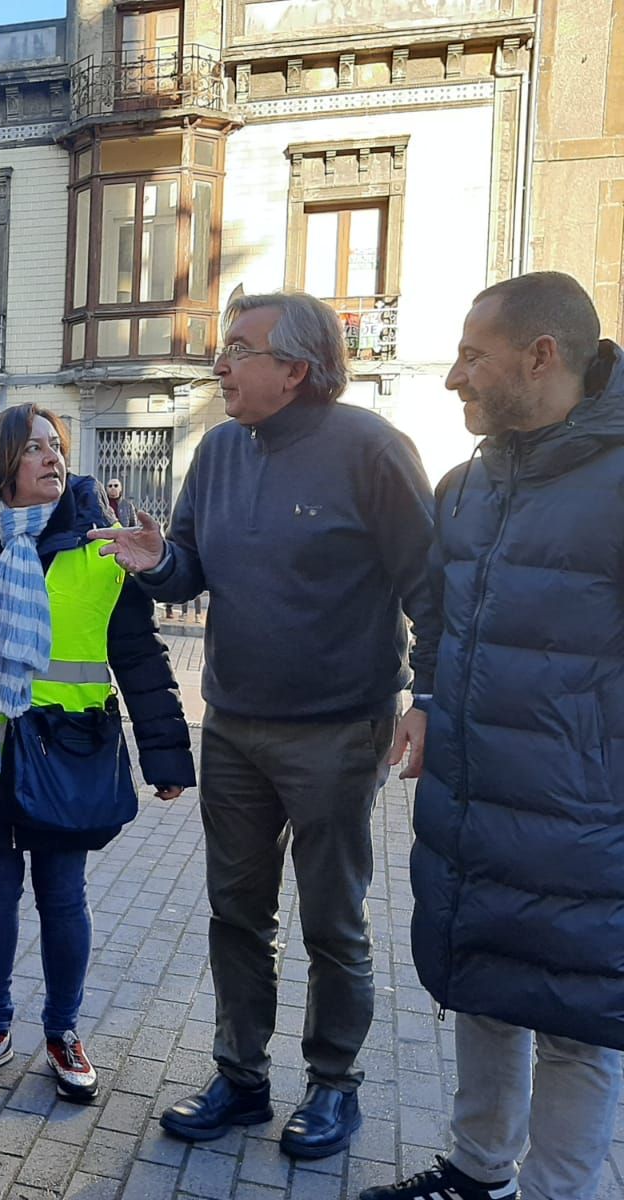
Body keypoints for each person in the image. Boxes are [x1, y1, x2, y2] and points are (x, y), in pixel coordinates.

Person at [100, 291, 441, 1159]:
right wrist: (155, 565)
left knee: (333, 920)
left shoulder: (371, 449)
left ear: (296, 368)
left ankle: (334, 1088)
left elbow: (430, 589)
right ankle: (241, 1079)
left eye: (239, 349)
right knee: (235, 913)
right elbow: (189, 568)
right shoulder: (216, 450)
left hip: (337, 731)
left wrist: (428, 698)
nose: (219, 365)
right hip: (236, 727)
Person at [361, 273, 624, 1200]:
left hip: (588, 820)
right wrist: (426, 696)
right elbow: (439, 618)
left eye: (473, 355)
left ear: (541, 355)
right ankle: (478, 1175)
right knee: (482, 986)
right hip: (471, 802)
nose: (454, 378)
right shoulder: (464, 485)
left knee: (579, 1024)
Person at [0, 403, 194, 1102]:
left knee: (63, 897)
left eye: (55, 446)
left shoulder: (98, 546)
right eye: (33, 447)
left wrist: (166, 757)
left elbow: (137, 654)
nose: (51, 457)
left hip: (68, 758)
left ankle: (63, 1032)